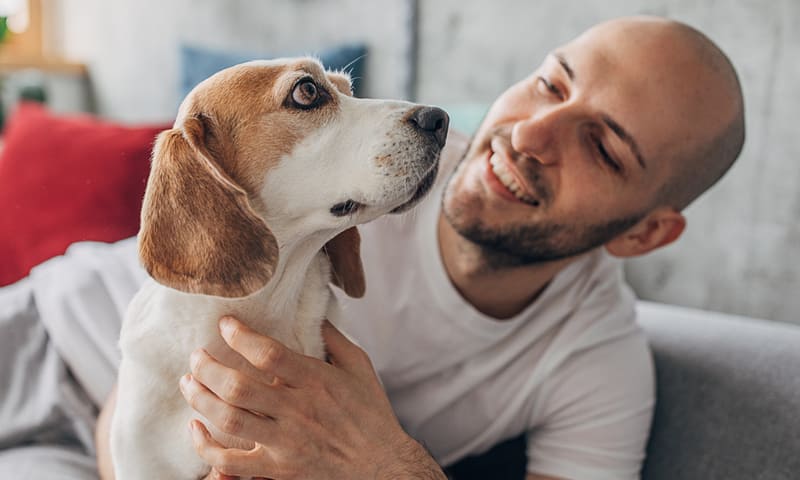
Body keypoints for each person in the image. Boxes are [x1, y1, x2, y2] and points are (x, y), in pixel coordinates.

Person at [3, 14, 744, 480]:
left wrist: (387, 465)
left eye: (603, 148)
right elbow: (138, 395)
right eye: (552, 85)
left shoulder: (599, 363)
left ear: (647, 233)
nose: (529, 135)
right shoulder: (382, 174)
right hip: (53, 335)